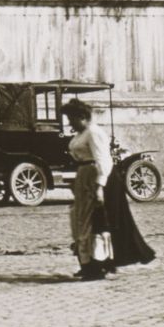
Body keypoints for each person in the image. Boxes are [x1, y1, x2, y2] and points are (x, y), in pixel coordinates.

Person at [61, 98, 112, 280]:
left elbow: (103, 160)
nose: (70, 122)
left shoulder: (93, 133)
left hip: (92, 175)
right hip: (83, 175)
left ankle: (96, 264)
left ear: (82, 117)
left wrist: (99, 186)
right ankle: (85, 262)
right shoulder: (81, 133)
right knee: (79, 219)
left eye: (72, 118)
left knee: (91, 222)